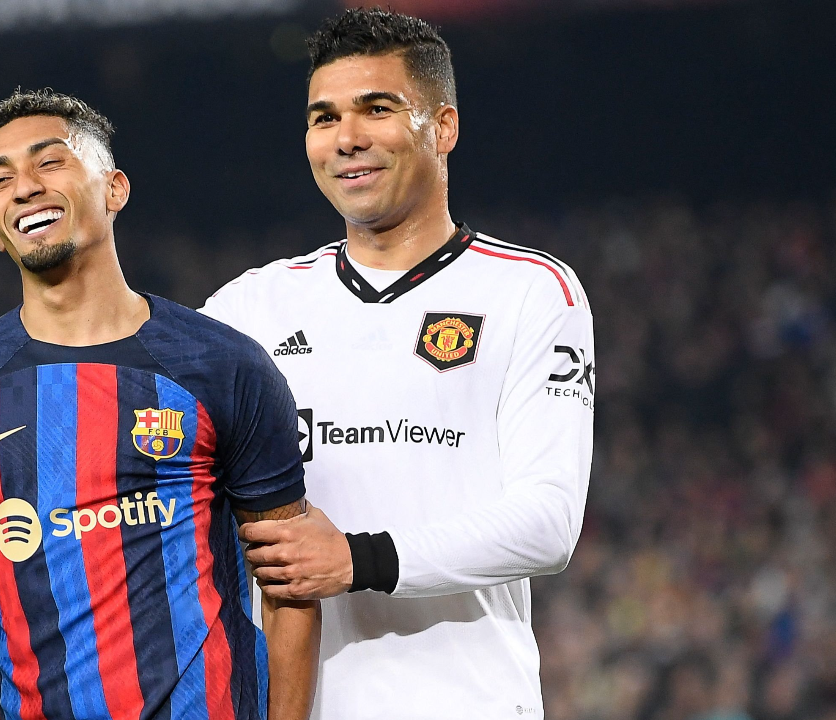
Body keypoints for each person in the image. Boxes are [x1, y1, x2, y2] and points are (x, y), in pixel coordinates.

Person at [201, 8, 594, 719]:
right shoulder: (247, 308)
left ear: (443, 127)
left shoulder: (530, 290)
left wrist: (357, 559)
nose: (346, 137)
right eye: (324, 118)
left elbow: (548, 523)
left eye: (376, 109)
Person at [0, 88, 320, 720]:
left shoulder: (223, 365)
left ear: (115, 188)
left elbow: (292, 590)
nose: (24, 187)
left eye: (49, 162)